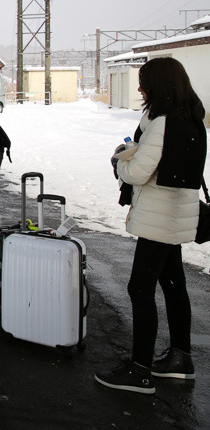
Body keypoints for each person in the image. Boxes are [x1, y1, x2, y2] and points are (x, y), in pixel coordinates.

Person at [96, 57, 206, 394]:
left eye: (143, 82)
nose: (140, 88)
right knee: (173, 285)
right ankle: (179, 359)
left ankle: (140, 370)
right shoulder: (191, 118)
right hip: (175, 216)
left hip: (159, 218)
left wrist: (122, 158)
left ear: (158, 85)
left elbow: (139, 173)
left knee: (139, 289)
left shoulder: (161, 123)